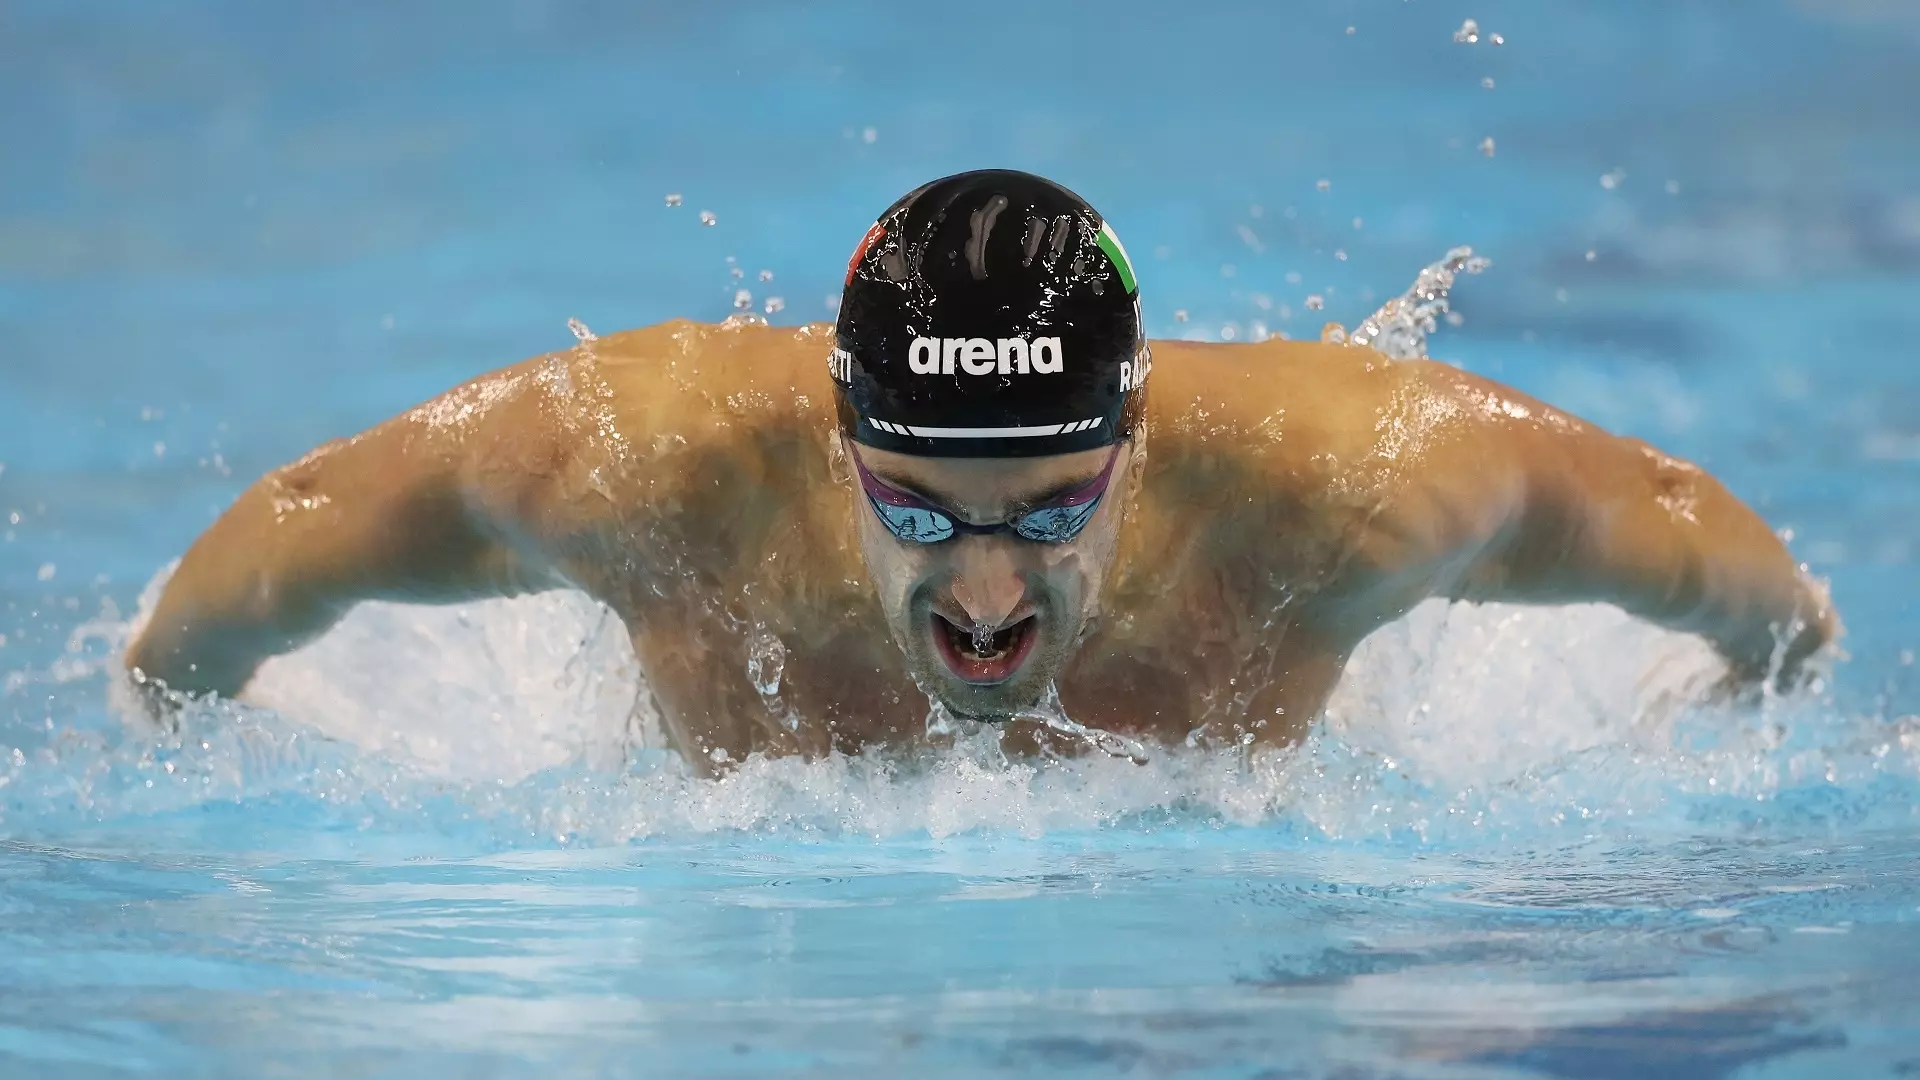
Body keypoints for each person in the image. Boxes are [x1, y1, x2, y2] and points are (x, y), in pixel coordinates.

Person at [124, 170, 1838, 769]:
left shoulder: (1348, 491)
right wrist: (172, 704)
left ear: (1138, 446)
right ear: (834, 436)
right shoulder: (637, 471)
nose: (993, 595)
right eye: (919, 510)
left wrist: (1777, 672)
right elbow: (301, 528)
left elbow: (1677, 526)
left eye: (1056, 511)